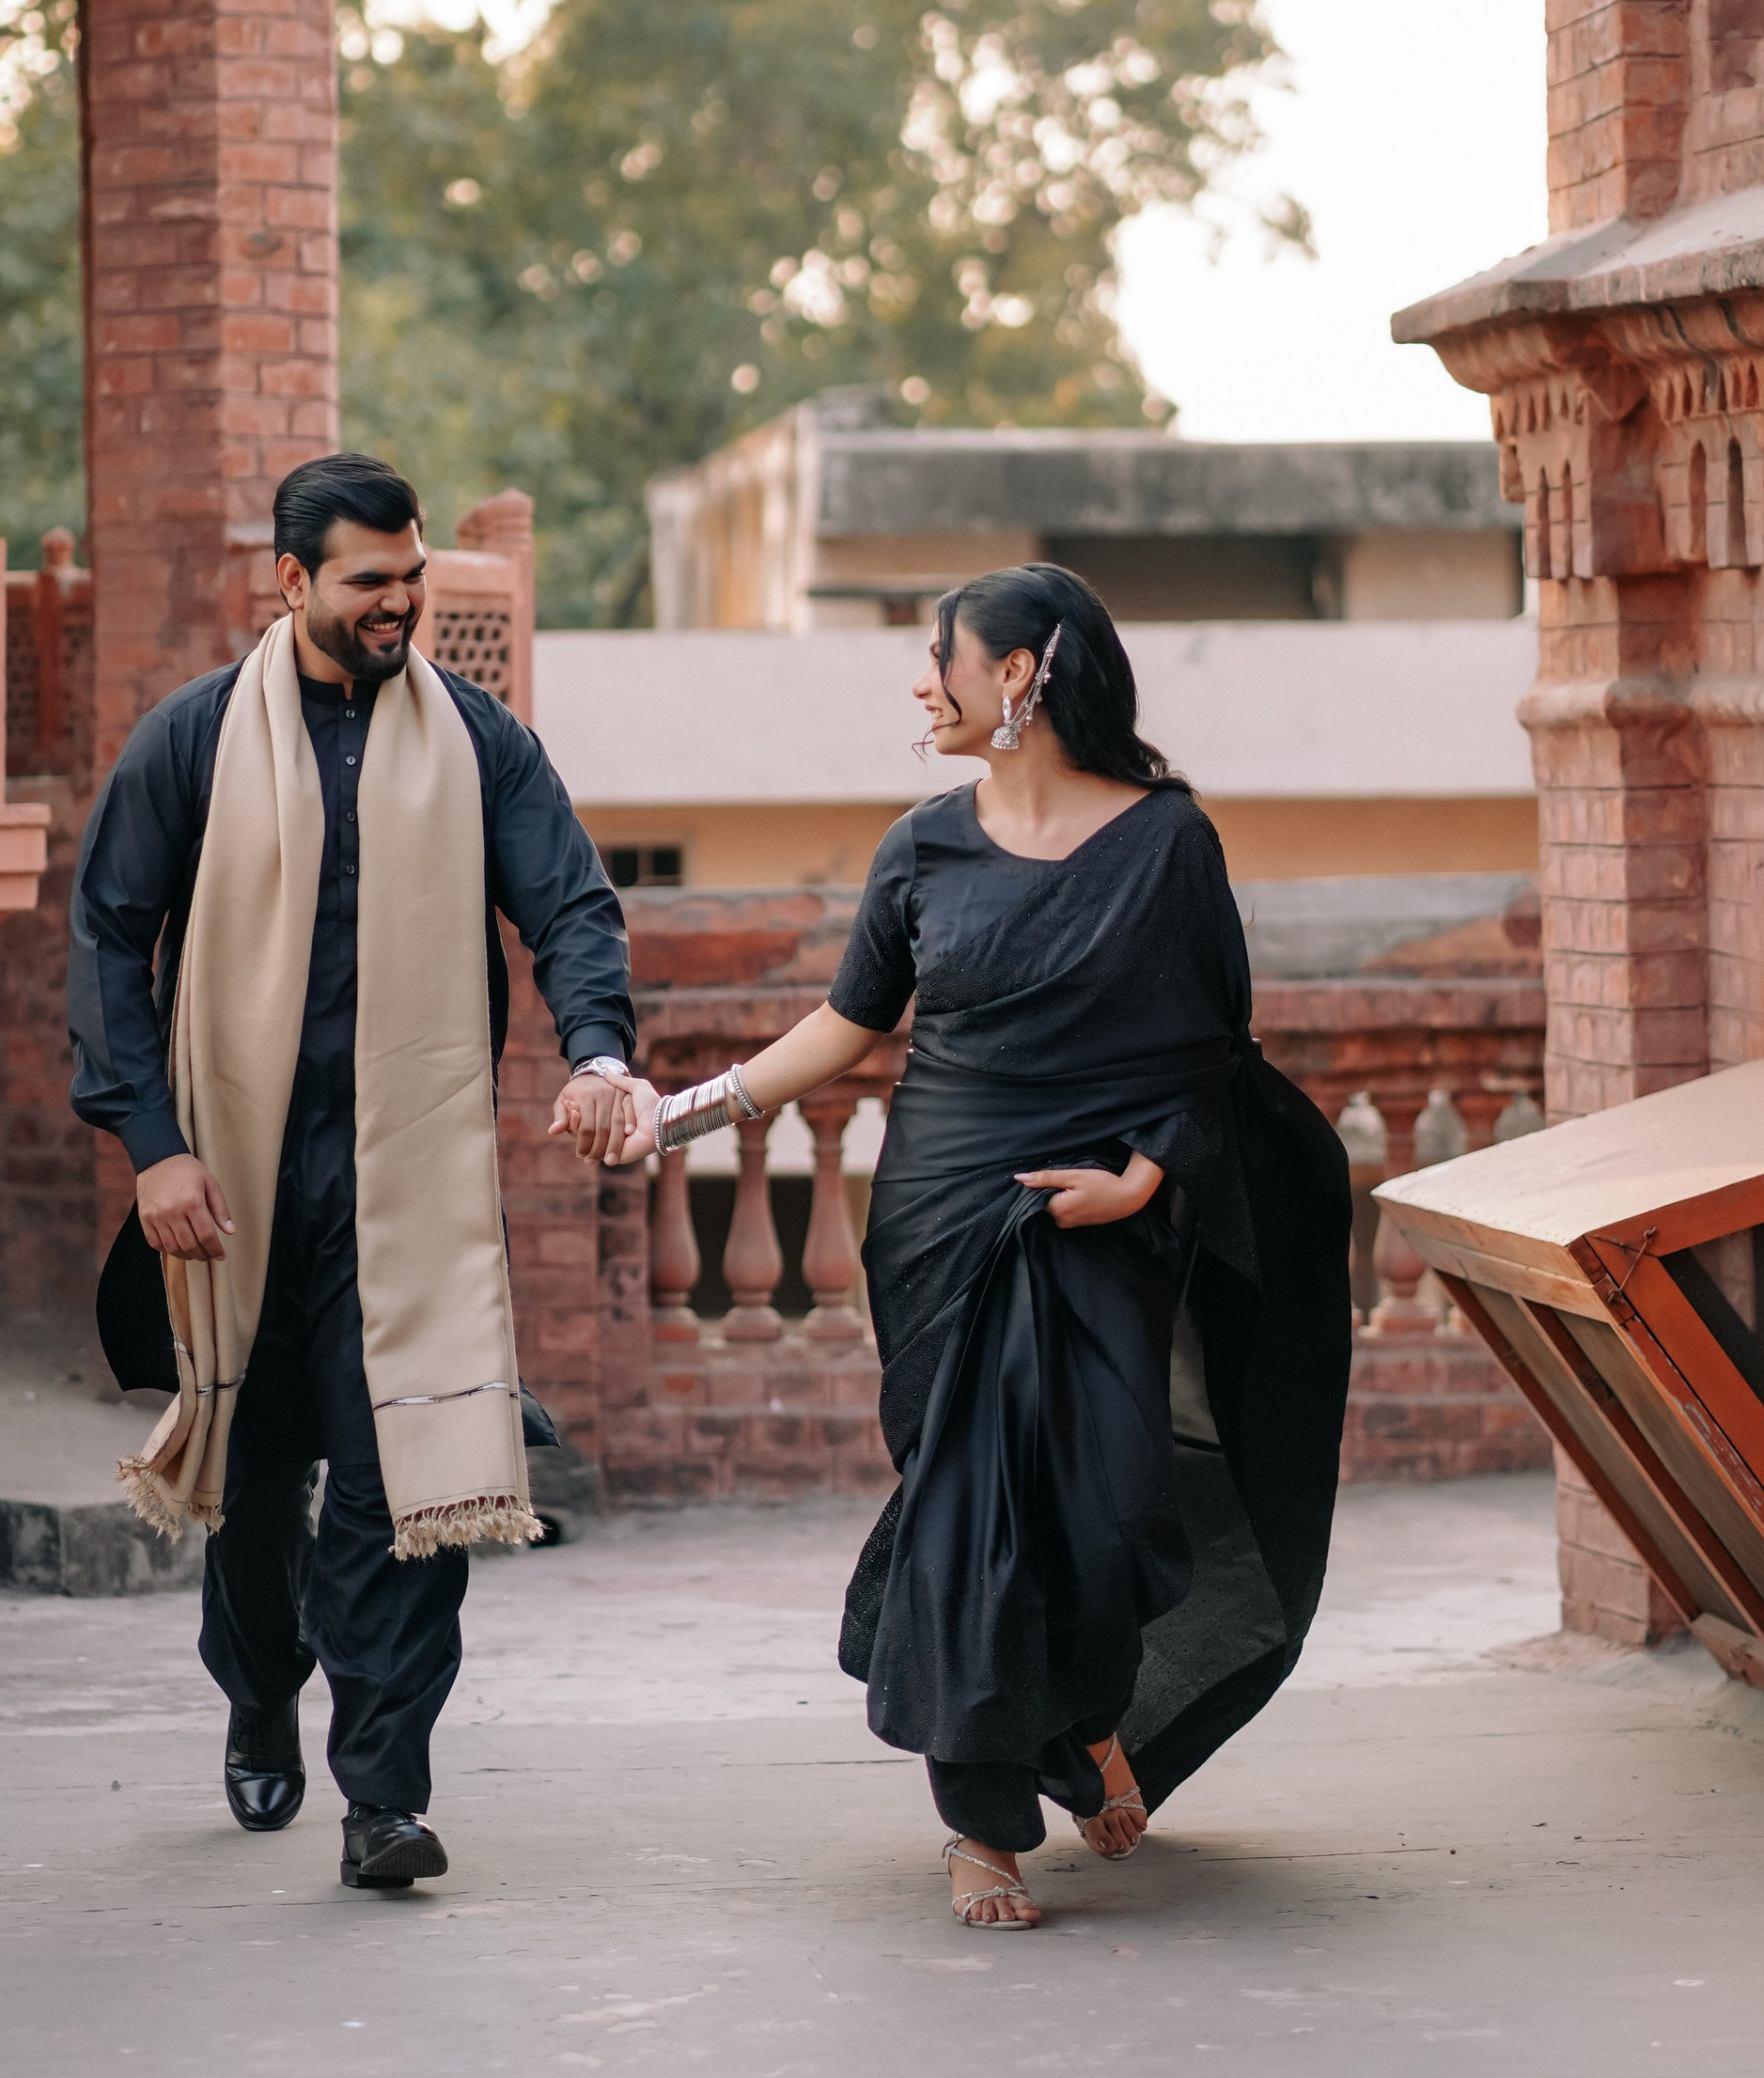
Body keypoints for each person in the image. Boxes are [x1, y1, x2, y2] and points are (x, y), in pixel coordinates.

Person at [611, 565, 1352, 1930]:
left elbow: (1210, 1048)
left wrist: (1142, 1184)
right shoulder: (922, 848)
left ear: (1021, 673)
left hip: (1096, 1222)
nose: (920, 680)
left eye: (939, 654)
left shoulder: (1170, 842)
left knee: (1111, 1500)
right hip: (944, 1216)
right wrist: (674, 1117)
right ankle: (983, 1822)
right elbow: (842, 1031)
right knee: (976, 1516)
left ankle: (1077, 1726)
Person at [67, 452, 636, 1890]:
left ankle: (382, 1794)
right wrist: (156, 1148)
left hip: (409, 1187)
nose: (400, 601)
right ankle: (261, 1693)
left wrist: (599, 1050)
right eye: (370, 578)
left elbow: (567, 899)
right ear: (295, 581)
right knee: (258, 1498)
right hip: (240, 1191)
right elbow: (104, 947)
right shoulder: (192, 741)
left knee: (410, 1490)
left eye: (413, 572)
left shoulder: (480, 745)